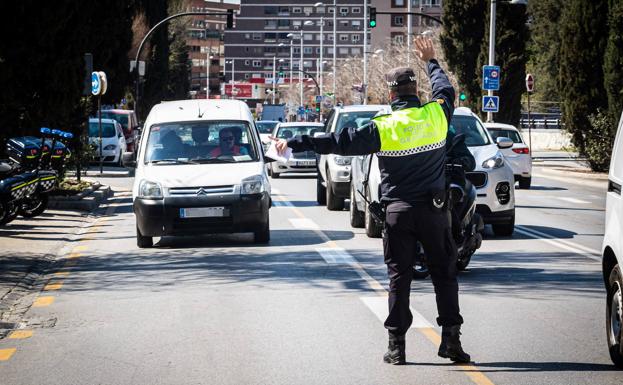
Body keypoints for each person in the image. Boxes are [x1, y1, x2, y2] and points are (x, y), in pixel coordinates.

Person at [272, 36, 471, 365]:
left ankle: (397, 347)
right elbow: (445, 90)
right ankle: (451, 341)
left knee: (399, 278)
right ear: (416, 92)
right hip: (434, 213)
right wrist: (431, 60)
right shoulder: (437, 117)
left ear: (391, 95)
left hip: (397, 214)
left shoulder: (382, 127)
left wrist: (294, 142)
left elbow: (336, 141)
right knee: (444, 275)